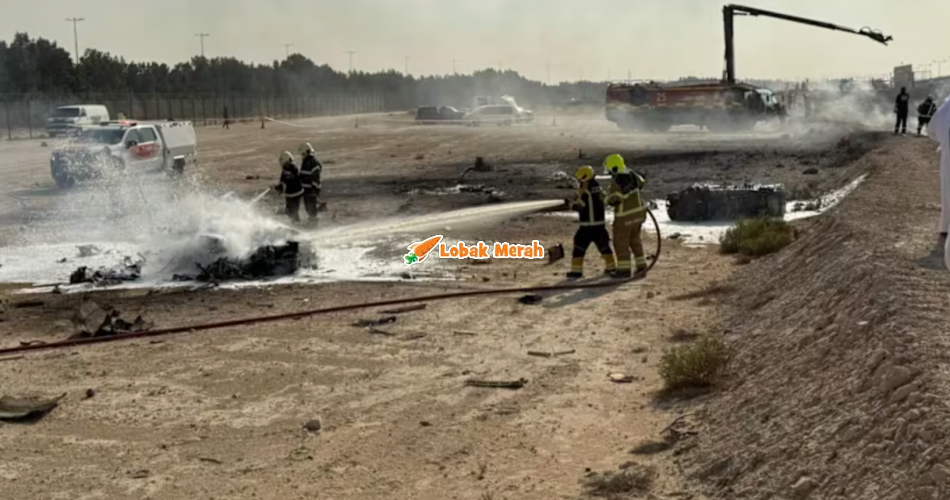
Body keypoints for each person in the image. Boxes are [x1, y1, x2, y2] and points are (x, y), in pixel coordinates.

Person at [565, 166, 617, 278]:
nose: (579, 181)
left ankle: (576, 272)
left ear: (585, 178)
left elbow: (579, 206)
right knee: (604, 247)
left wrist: (571, 204)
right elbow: (605, 199)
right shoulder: (597, 187)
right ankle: (611, 267)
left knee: (579, 247)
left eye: (580, 179)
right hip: (600, 226)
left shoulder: (585, 191)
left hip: (587, 226)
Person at [603, 153, 649, 279]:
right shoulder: (633, 174)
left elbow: (615, 199)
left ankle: (624, 270)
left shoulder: (617, 180)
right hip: (639, 215)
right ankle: (641, 267)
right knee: (635, 241)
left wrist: (605, 199)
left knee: (621, 243)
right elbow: (641, 182)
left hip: (625, 218)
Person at [928, 95, 950, 244]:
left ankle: (945, 227)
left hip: (947, 156)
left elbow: (931, 132)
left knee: (947, 191)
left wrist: (944, 142)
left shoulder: (942, 111)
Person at [274, 151, 303, 223]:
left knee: (293, 211)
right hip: (294, 193)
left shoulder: (289, 169)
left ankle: (296, 223)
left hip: (293, 194)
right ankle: (295, 222)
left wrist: (278, 187)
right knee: (292, 210)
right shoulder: (291, 168)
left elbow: (285, 182)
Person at [297, 142, 323, 223]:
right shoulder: (305, 162)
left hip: (311, 190)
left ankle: (313, 221)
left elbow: (316, 177)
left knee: (311, 207)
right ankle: (312, 220)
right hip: (306, 190)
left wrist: (314, 188)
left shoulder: (313, 162)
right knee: (308, 207)